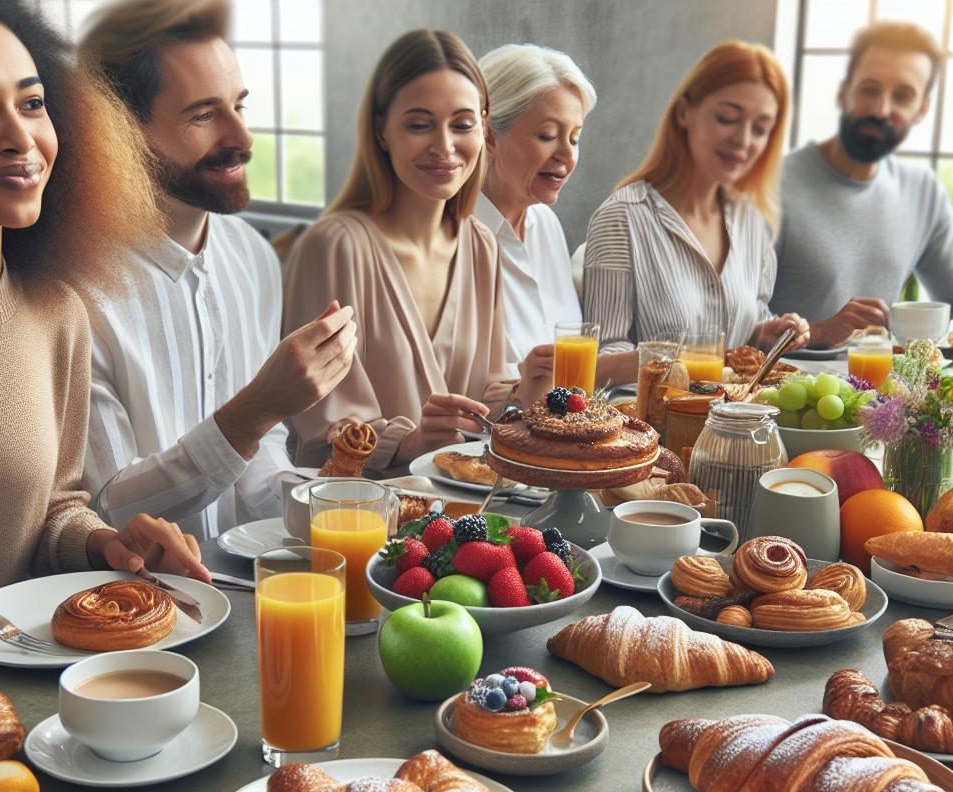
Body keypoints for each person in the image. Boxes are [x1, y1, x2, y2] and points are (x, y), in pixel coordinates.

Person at [0, 0, 208, 632]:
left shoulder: (56, 315)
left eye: (31, 103)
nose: (20, 137)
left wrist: (106, 545)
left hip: (28, 693)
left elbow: (52, 508)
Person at [78, 0, 357, 541]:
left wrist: (319, 501)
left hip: (248, 595)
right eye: (204, 115)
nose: (243, 139)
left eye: (239, 107)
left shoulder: (252, 258)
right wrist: (255, 410)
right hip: (136, 610)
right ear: (121, 132)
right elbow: (106, 513)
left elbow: (260, 452)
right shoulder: (77, 292)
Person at [283, 29, 535, 474]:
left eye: (462, 124)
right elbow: (317, 427)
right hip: (359, 520)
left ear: (483, 127)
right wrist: (408, 441)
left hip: (465, 512)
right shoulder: (334, 247)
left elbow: (487, 393)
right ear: (381, 131)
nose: (444, 146)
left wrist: (524, 391)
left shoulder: (480, 244)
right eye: (419, 125)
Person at [583, 41, 809, 353]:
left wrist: (763, 334)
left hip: (741, 403)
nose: (743, 140)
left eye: (760, 129)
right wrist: (685, 363)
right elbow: (602, 352)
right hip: (650, 403)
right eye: (728, 118)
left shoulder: (751, 218)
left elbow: (746, 321)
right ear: (685, 112)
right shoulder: (621, 218)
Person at [771, 21, 953, 348]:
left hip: (881, 394)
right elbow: (735, 319)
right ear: (844, 91)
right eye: (869, 89)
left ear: (922, 109)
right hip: (775, 392)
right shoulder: (772, 184)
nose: (881, 109)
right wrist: (819, 331)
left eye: (902, 95)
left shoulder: (923, 192)